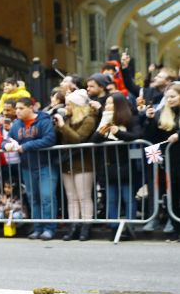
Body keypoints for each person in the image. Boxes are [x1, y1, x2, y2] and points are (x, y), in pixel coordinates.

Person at [90, 92, 143, 240]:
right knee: (111, 199)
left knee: (128, 198)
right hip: (108, 167)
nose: (107, 106)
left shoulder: (130, 119)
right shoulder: (103, 120)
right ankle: (114, 228)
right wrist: (102, 131)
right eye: (106, 104)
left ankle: (130, 229)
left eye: (111, 103)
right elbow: (94, 139)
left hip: (126, 166)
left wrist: (118, 132)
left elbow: (137, 136)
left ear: (119, 105)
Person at [3, 97, 58, 240]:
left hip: (46, 165)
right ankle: (38, 227)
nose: (17, 111)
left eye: (21, 108)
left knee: (47, 197)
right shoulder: (16, 125)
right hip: (27, 166)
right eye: (17, 109)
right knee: (33, 198)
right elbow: (6, 140)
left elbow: (49, 139)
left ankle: (49, 228)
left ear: (31, 108)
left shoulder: (44, 120)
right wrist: (6, 145)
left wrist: (26, 146)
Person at [53, 89, 97, 241]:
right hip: (67, 162)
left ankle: (86, 226)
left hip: (83, 162)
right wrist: (57, 125)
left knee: (83, 196)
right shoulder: (67, 119)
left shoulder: (89, 119)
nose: (66, 107)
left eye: (68, 104)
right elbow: (59, 138)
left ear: (76, 105)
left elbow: (78, 138)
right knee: (71, 197)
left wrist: (62, 126)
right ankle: (73, 225)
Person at [143, 84, 180, 240]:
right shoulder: (161, 113)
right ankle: (177, 230)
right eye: (167, 97)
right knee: (173, 196)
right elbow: (152, 139)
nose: (170, 100)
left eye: (173, 96)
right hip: (171, 163)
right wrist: (150, 120)